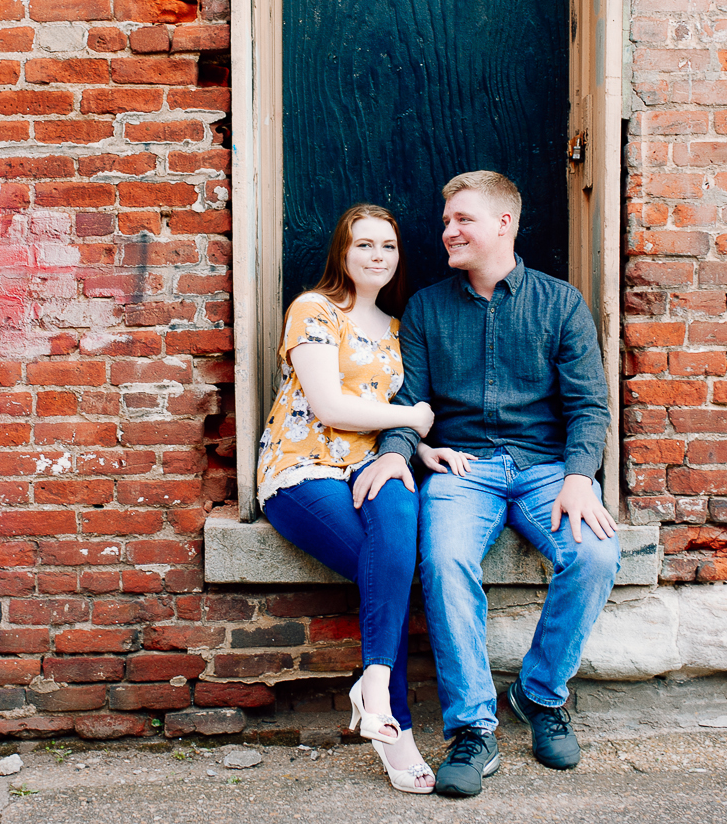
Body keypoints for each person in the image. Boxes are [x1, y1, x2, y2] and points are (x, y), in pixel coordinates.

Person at [364, 170, 619, 798]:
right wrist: (398, 452)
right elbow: (412, 400)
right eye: (447, 220)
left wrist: (580, 477)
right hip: (462, 467)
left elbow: (590, 406)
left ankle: (539, 695)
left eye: (463, 220)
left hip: (545, 468)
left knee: (595, 554)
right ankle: (473, 730)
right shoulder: (426, 307)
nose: (448, 231)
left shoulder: (560, 303)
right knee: (445, 560)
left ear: (503, 224)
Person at [256, 204, 438, 794]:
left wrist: (416, 445)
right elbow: (331, 407)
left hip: (368, 467)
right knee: (386, 565)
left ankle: (374, 685)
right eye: (363, 245)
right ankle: (396, 730)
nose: (377, 256)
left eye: (388, 246)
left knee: (401, 514)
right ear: (342, 251)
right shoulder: (314, 310)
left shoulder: (398, 327)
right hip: (303, 472)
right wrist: (412, 416)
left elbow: (387, 428)